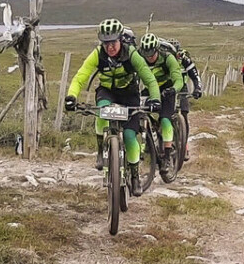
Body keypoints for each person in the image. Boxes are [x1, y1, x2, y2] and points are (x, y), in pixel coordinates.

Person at [64, 19, 161, 196]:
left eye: (113, 42)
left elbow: (149, 79)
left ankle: (134, 175)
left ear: (120, 40)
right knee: (102, 112)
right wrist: (72, 96)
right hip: (107, 92)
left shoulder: (131, 54)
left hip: (129, 94)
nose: (109, 47)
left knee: (130, 136)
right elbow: (80, 77)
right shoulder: (97, 54)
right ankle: (101, 150)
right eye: (105, 43)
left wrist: (155, 99)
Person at [138, 33, 182, 178]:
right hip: (149, 90)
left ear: (157, 49)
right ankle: (149, 139)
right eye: (146, 54)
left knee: (165, 119)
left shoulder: (168, 58)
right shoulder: (140, 58)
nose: (149, 57)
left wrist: (174, 89)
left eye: (151, 53)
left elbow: (178, 79)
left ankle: (167, 157)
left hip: (167, 90)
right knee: (139, 114)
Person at [160, 38, 202, 161]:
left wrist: (197, 88)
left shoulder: (184, 58)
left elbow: (195, 76)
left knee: (184, 113)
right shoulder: (163, 59)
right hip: (167, 87)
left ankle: (185, 145)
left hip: (181, 88)